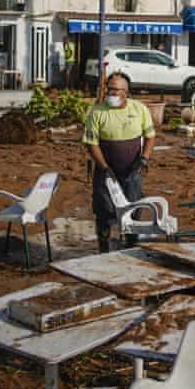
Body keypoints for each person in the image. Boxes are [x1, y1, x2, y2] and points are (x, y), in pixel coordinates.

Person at [83, 72, 156, 253]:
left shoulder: (139, 109)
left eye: (115, 90)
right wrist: (104, 168)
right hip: (106, 170)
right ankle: (104, 249)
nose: (111, 94)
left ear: (126, 92)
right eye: (109, 89)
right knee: (104, 210)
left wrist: (144, 158)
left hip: (132, 170)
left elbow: (150, 136)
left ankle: (131, 246)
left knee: (133, 207)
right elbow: (91, 143)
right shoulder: (97, 112)